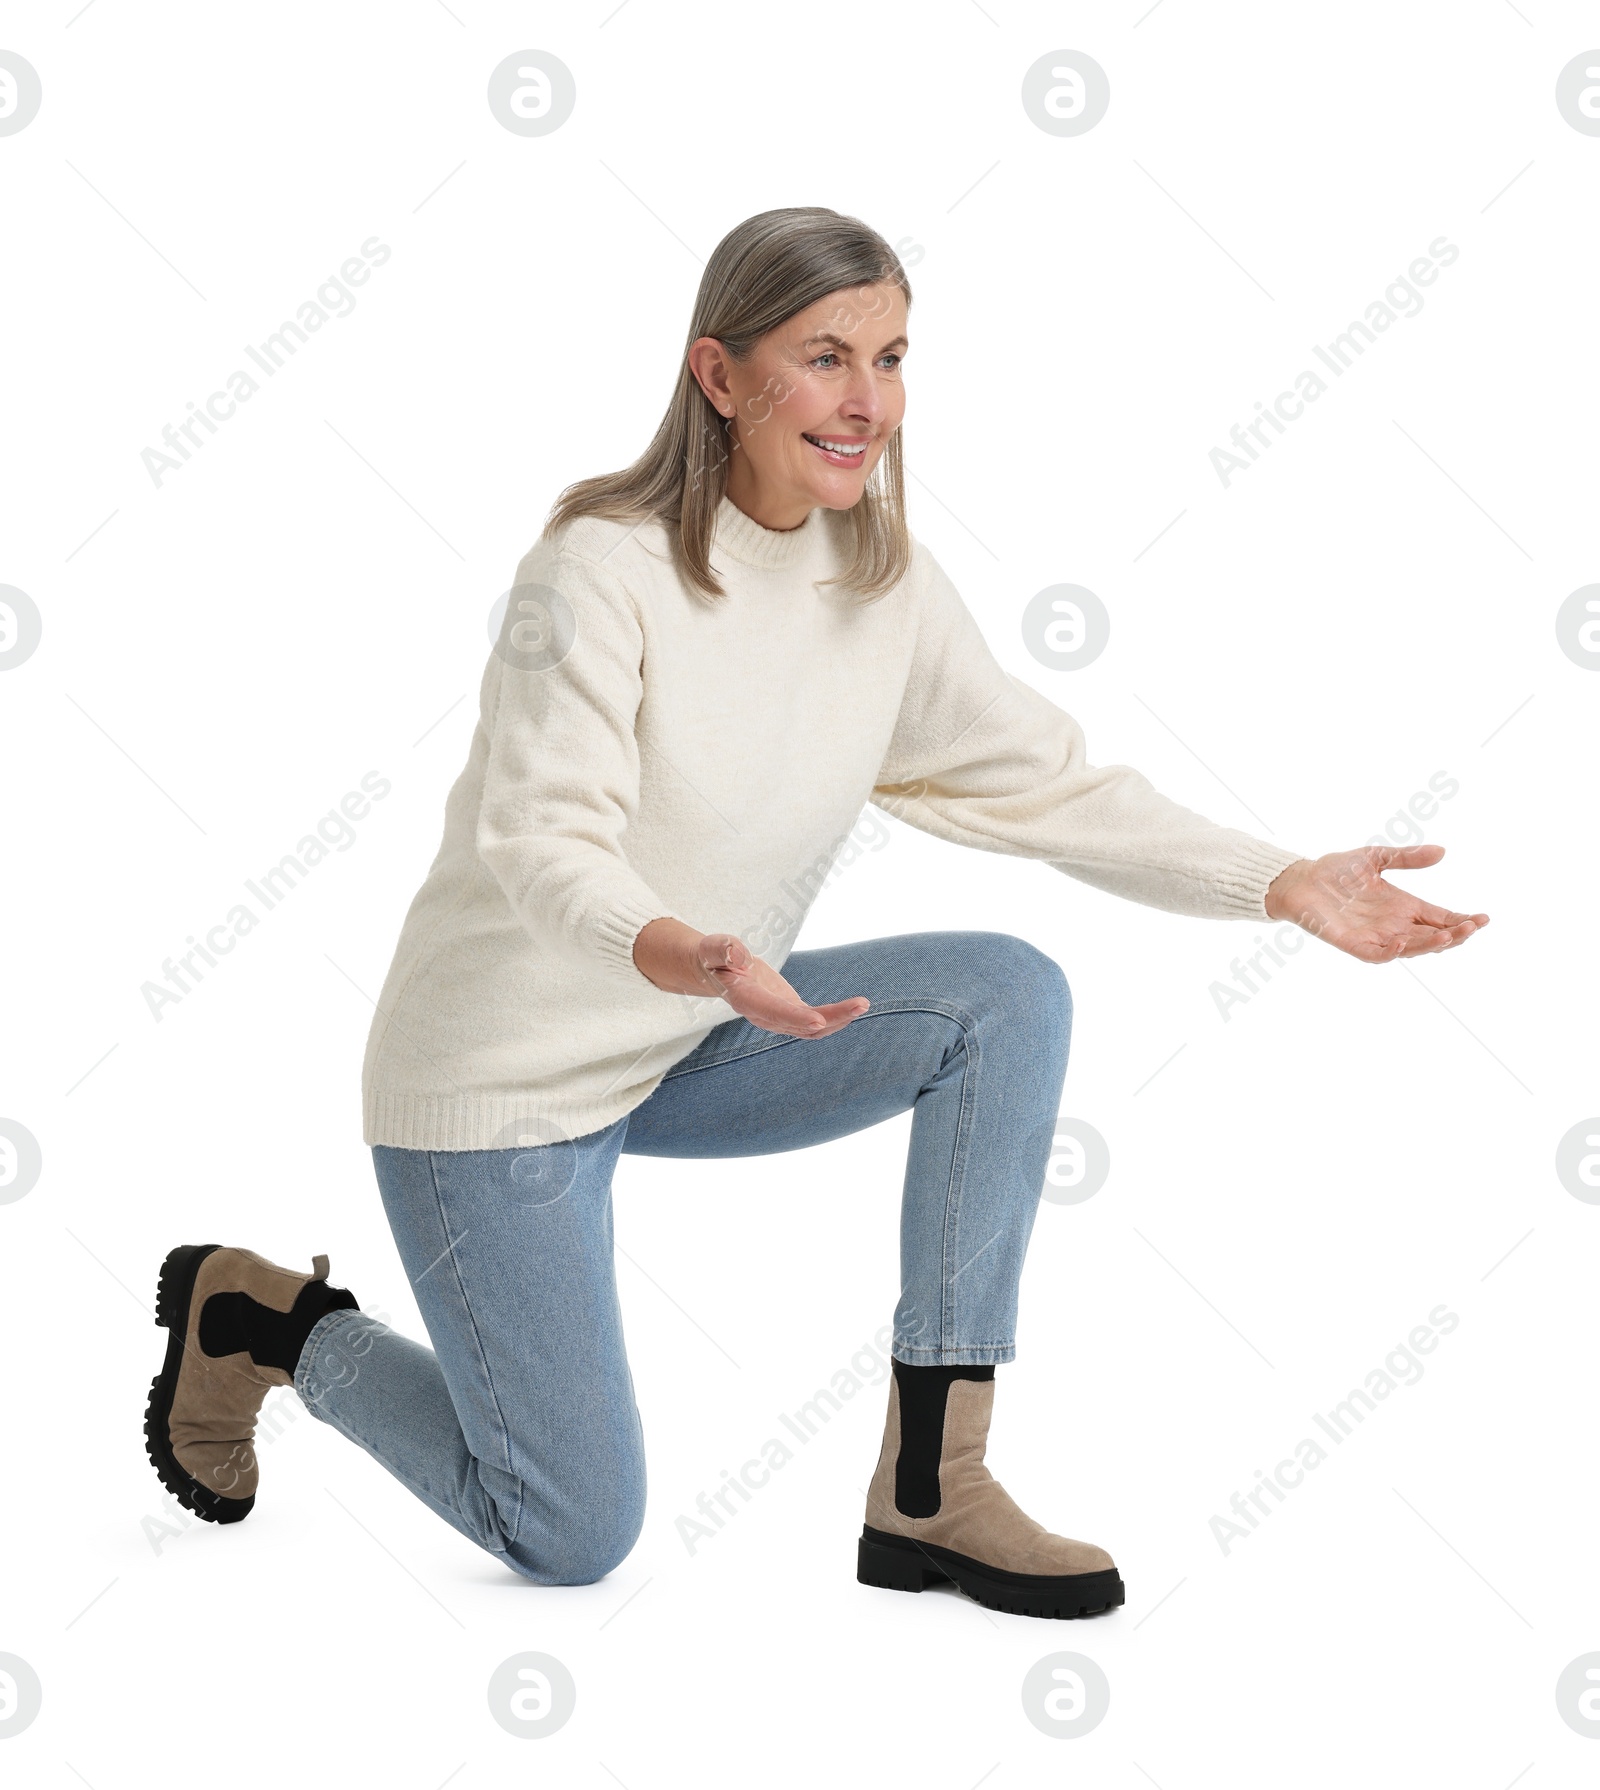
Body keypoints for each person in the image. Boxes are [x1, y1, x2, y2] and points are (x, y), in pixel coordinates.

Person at [143, 206, 1489, 1620]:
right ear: (720, 377)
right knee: (567, 1528)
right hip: (501, 1085)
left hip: (696, 1037)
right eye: (826, 355)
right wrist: (692, 950)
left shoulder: (880, 583)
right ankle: (268, 1324)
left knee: (1004, 995)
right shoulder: (597, 571)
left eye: (893, 356)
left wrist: (1275, 880)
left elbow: (1044, 781)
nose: (868, 402)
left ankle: (931, 1483)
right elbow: (540, 840)